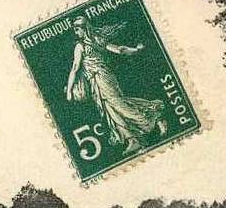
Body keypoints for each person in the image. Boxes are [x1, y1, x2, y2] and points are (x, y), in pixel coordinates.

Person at [65, 16, 167, 155]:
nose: (76, 32)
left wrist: (69, 90)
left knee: (118, 104)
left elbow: (75, 67)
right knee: (109, 109)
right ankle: (132, 140)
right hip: (96, 81)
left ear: (84, 29)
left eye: (77, 29)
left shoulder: (82, 46)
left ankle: (154, 119)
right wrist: (135, 50)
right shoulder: (94, 41)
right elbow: (120, 49)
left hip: (103, 78)